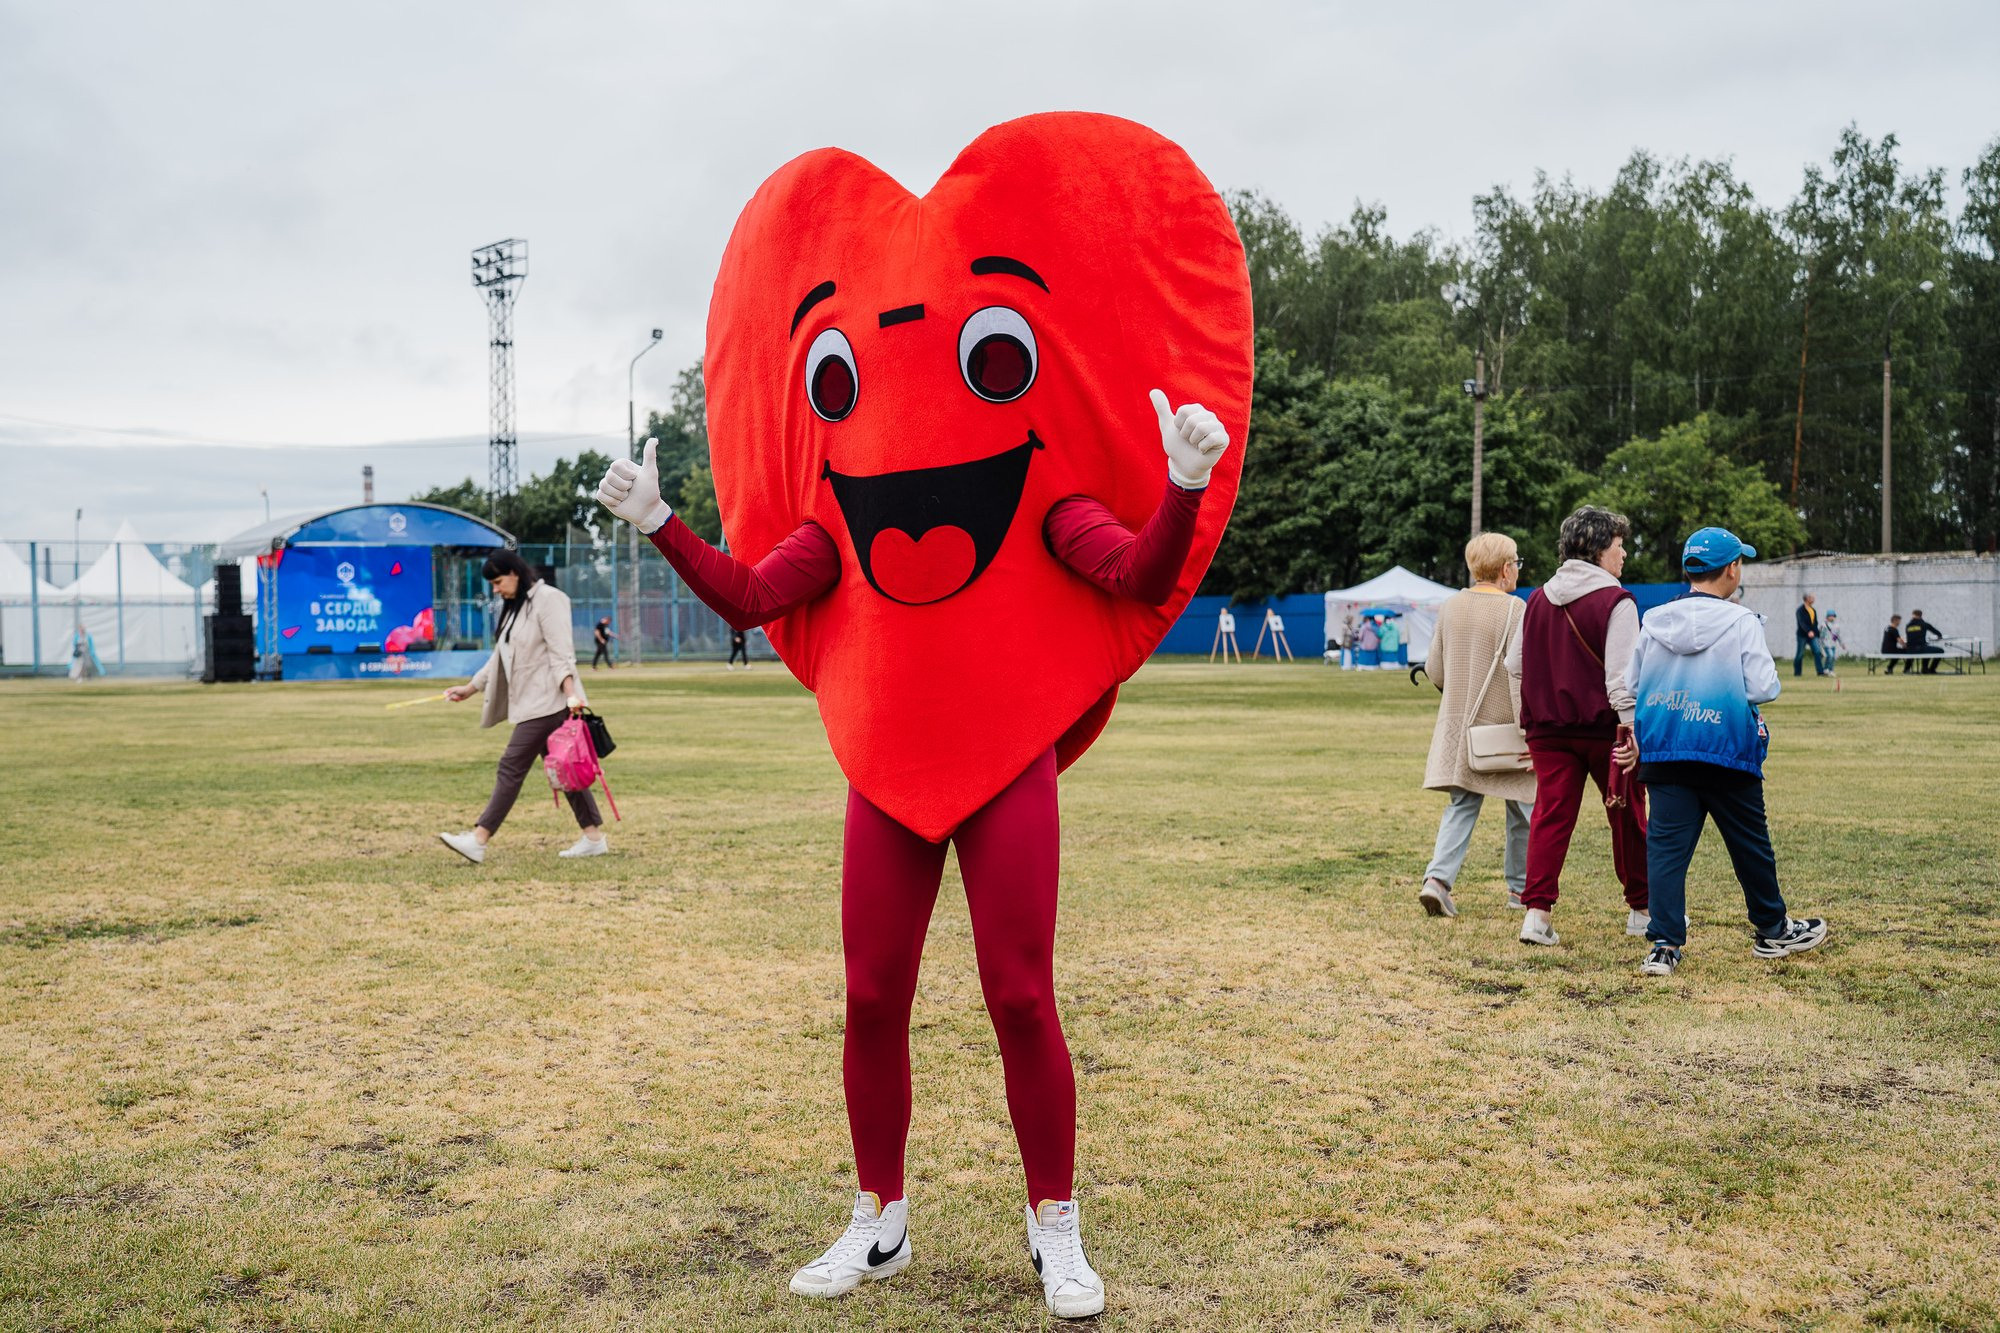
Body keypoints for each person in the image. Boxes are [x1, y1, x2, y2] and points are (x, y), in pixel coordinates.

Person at [1623, 527, 1829, 975]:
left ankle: (1663, 945)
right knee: (1750, 845)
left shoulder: (1654, 620)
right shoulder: (1741, 621)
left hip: (1667, 749)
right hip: (1726, 748)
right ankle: (1772, 929)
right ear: (1732, 569)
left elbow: (1632, 684)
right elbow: (1763, 686)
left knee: (1666, 851)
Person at [1504, 506, 1649, 946]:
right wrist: (1632, 732)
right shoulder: (1617, 601)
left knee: (1550, 817)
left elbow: (1514, 665)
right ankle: (1643, 911)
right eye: (1619, 545)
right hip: (1607, 731)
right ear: (1599, 549)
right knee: (1627, 816)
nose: (1623, 555)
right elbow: (1621, 681)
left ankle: (1536, 915)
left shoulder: (1536, 599)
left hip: (1547, 730)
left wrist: (1524, 726)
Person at [436, 551, 605, 863]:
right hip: (531, 703)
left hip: (549, 702)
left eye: (498, 582)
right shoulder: (515, 609)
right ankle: (593, 837)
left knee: (511, 766)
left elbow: (561, 652)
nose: (496, 589)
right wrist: (470, 689)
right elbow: (499, 658)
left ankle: (479, 838)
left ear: (515, 572)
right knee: (563, 770)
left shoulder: (548, 600)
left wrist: (571, 694)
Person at [1418, 533, 1534, 917]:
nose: (1517, 569)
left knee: (1461, 805)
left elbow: (1435, 670)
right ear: (1505, 569)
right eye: (1516, 563)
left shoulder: (1450, 606)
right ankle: (1521, 891)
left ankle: (1437, 880)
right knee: (1523, 807)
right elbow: (1523, 674)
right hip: (1505, 730)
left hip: (1462, 728)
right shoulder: (1517, 610)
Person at [1793, 593, 1826, 677]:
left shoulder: (1813, 610)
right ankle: (1797, 673)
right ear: (1806, 599)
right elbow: (1801, 623)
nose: (1813, 599)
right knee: (1800, 654)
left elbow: (1815, 623)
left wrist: (1817, 634)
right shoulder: (1800, 610)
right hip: (1802, 636)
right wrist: (1808, 631)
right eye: (1811, 597)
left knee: (1817, 652)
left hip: (1813, 636)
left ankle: (1820, 672)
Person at [1905, 609, 1944, 674]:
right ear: (1921, 615)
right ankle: (1929, 669)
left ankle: (1908, 669)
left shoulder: (1908, 625)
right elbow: (1938, 633)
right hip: (1920, 648)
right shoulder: (1924, 624)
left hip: (1910, 649)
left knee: (1926, 648)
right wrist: (1939, 637)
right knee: (1940, 650)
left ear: (1912, 615)